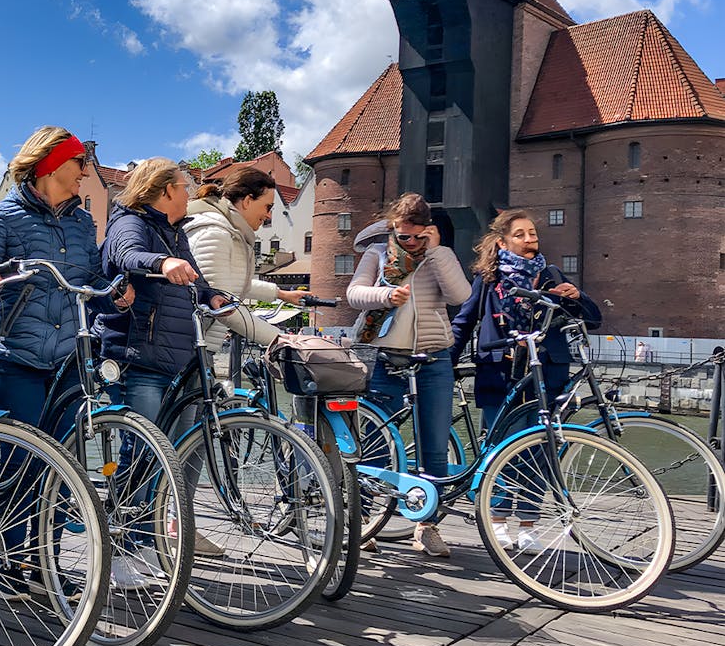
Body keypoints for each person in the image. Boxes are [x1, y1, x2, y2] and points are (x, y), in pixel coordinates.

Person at [0, 126, 131, 601]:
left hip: (68, 363)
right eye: (79, 164)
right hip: (19, 356)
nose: (84, 172)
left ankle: (47, 566)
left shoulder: (81, 222)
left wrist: (114, 294)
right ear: (53, 166)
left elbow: (93, 279)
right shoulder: (4, 217)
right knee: (20, 467)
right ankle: (14, 567)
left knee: (61, 469)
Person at [94, 158, 228, 568]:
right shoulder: (129, 222)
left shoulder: (174, 233)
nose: (189, 195)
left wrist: (212, 297)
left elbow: (197, 280)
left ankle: (148, 541)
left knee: (167, 456)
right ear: (166, 190)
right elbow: (126, 255)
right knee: (142, 453)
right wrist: (161, 263)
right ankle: (121, 551)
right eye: (185, 188)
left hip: (176, 358)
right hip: (140, 356)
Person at [450, 209, 600, 552]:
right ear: (502, 242)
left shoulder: (550, 276)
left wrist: (576, 297)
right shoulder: (488, 280)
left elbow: (594, 319)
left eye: (533, 233)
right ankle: (499, 518)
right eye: (521, 234)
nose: (530, 239)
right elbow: (464, 321)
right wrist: (446, 361)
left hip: (545, 373)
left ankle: (529, 521)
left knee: (539, 449)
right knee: (501, 448)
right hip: (499, 371)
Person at [347, 192, 471, 557]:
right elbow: (354, 293)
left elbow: (460, 295)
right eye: (405, 237)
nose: (412, 242)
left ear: (428, 230)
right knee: (373, 443)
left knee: (434, 447)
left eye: (419, 236)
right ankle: (365, 521)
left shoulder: (436, 256)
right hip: (386, 356)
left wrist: (438, 252)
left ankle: (427, 526)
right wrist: (384, 297)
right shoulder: (378, 255)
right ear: (394, 229)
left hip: (434, 358)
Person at [184, 167, 318, 361]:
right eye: (267, 207)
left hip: (198, 343)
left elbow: (231, 284)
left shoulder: (233, 233)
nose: (269, 215)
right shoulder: (215, 234)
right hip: (187, 346)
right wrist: (280, 339)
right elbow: (222, 306)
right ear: (247, 201)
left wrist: (282, 295)